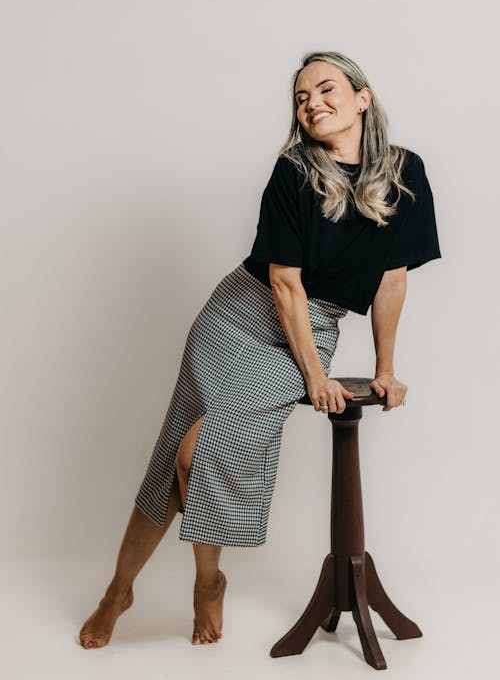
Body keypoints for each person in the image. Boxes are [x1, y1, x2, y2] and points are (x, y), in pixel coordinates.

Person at [79, 50, 441, 649]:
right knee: (177, 447)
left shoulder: (406, 172)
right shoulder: (294, 171)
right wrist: (315, 375)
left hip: (310, 325)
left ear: (363, 97)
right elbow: (283, 283)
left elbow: (392, 277)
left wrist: (385, 368)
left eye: (327, 90)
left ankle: (207, 580)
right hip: (241, 316)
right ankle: (120, 589)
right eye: (301, 98)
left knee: (199, 452)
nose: (313, 104)